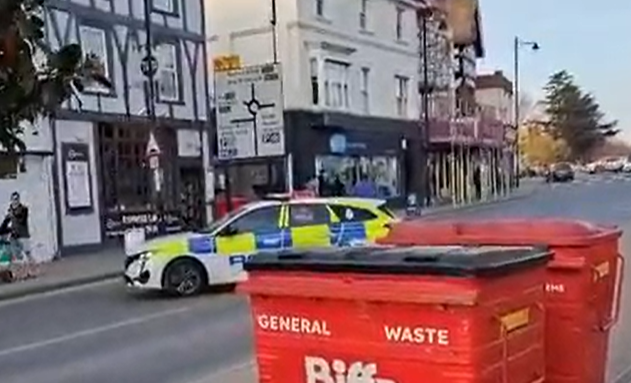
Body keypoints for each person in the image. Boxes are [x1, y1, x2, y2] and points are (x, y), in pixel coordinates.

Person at [1, 192, 37, 277]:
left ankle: (33, 271)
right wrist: (3, 229)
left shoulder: (23, 209)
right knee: (17, 256)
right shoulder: (11, 211)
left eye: (16, 199)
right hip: (15, 236)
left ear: (19, 200)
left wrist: (12, 214)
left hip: (23, 235)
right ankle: (22, 273)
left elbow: (21, 219)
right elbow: (6, 222)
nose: (15, 201)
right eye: (13, 199)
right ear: (11, 200)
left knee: (28, 253)